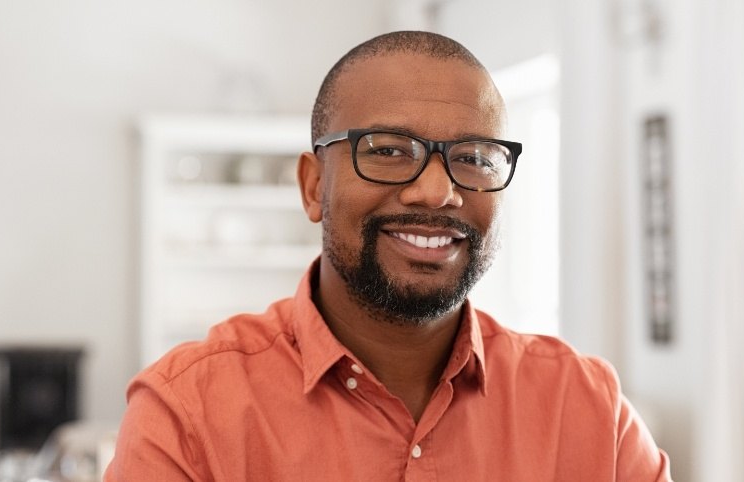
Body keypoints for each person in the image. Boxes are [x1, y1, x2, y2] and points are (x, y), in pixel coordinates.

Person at [105, 31, 672, 481]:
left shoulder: (591, 413)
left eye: (473, 157)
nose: (435, 191)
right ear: (312, 187)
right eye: (388, 150)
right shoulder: (189, 414)